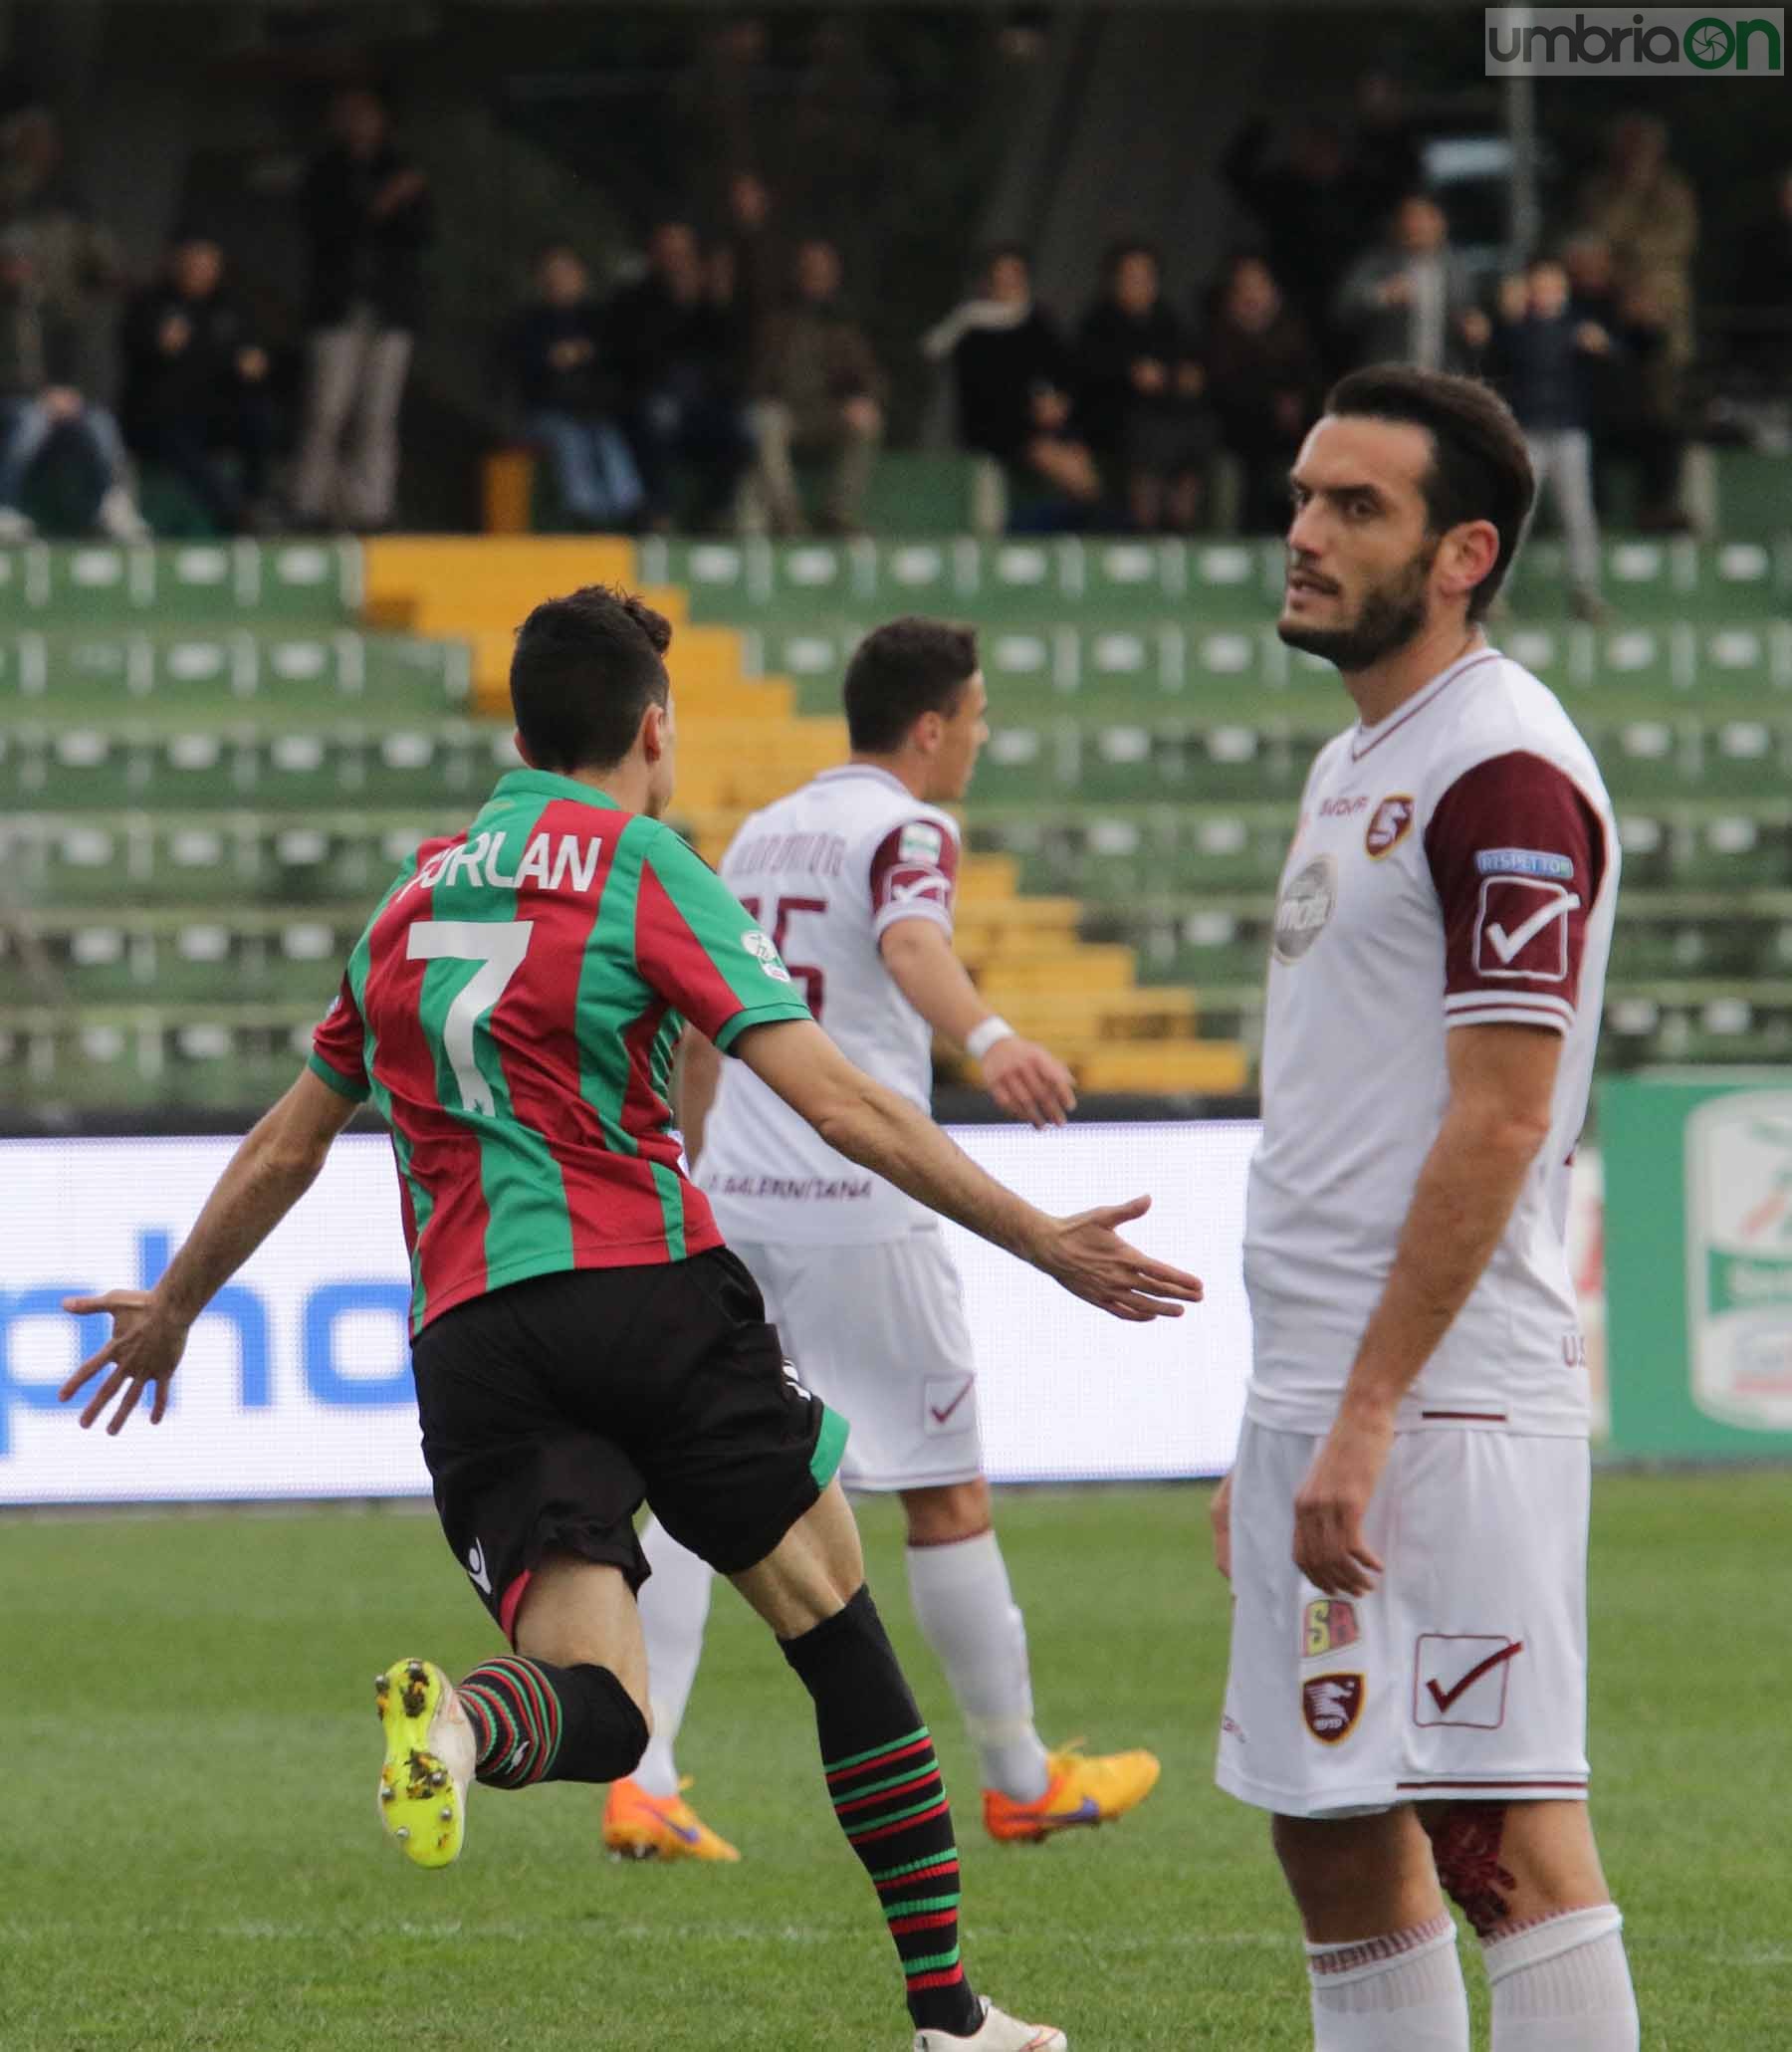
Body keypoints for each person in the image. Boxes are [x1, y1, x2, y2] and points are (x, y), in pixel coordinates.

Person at [58, 583, 1204, 2052]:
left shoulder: (409, 901)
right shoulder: (638, 864)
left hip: (473, 1335)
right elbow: (842, 1095)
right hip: (644, 1292)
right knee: (836, 1626)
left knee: (595, 1697)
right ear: (650, 731)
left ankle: (460, 1728)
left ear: (523, 724)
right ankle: (950, 2015)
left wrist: (174, 1305)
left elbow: (291, 1141)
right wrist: (1037, 1234)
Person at [1212, 363, 1639, 2052]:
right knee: (1326, 1829)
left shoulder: (1505, 770)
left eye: (1353, 507)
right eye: (1304, 494)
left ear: (1465, 551)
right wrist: (1288, 1423)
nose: (1303, 532)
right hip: (1321, 1394)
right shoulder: (1361, 761)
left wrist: (1368, 1414)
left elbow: (1504, 1115)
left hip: (1447, 1402)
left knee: (1501, 1839)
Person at [611, 616, 1161, 1866]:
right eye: (975, 718)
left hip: (742, 1198)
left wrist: (702, 1165)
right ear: (930, 726)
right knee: (948, 1494)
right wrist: (996, 1037)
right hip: (863, 1204)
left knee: (699, 1489)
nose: (979, 739)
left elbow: (703, 1035)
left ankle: (642, 1776)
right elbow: (914, 945)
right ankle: (1022, 1776)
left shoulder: (761, 832)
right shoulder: (909, 829)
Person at [291, 86, 432, 531]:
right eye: (348, 114)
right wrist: (384, 202)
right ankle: (309, 504)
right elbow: (327, 229)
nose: (358, 123)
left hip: (389, 310)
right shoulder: (325, 171)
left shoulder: (402, 167)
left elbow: (424, 234)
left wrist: (399, 201)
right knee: (326, 409)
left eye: (366, 113)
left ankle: (371, 508)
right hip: (337, 308)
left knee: (378, 413)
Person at [920, 247, 1100, 525]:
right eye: (1000, 278)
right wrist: (1034, 411)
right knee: (1066, 469)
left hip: (1045, 419)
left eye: (1014, 278)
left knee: (1083, 467)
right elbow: (984, 391)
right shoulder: (971, 326)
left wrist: (1059, 401)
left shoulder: (1037, 318)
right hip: (1000, 426)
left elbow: (1064, 369)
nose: (1008, 286)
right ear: (986, 282)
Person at [119, 233, 277, 535]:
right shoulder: (151, 303)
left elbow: (252, 356)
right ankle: (234, 513)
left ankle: (256, 500)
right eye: (193, 265)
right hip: (159, 419)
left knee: (258, 416)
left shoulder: (227, 309)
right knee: (180, 442)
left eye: (207, 266)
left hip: (210, 413)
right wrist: (159, 345)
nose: (200, 273)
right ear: (177, 264)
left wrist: (254, 365)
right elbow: (131, 348)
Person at [0, 226, 146, 543]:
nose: (18, 269)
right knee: (29, 423)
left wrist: (66, 392)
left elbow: (70, 363)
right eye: (10, 262)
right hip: (14, 404)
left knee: (101, 423)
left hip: (56, 403)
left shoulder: (50, 310)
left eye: (24, 261)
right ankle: (5, 506)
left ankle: (112, 505)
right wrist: (38, 396)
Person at [1484, 258, 1612, 619]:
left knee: (1578, 515)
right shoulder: (1517, 328)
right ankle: (1495, 593)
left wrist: (1600, 347)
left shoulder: (1578, 327)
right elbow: (1494, 360)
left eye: (1553, 286)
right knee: (1518, 513)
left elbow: (1611, 364)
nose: (1547, 294)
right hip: (1528, 431)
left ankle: (1585, 590)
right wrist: (1505, 319)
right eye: (1539, 286)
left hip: (1568, 430)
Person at [608, 219, 755, 533]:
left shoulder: (711, 302)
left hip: (705, 402)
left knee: (745, 426)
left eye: (682, 252)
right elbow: (636, 358)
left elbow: (732, 358)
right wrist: (675, 306)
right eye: (668, 252)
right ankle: (659, 509)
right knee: (659, 416)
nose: (676, 259)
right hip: (653, 397)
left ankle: (716, 511)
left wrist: (714, 304)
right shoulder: (636, 299)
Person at [750, 237, 887, 536]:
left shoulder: (844, 321)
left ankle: (838, 515)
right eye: (809, 270)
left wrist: (862, 399)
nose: (815, 278)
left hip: (828, 413)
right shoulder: (775, 317)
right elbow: (756, 375)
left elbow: (871, 377)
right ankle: (787, 520)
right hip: (785, 412)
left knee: (868, 421)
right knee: (764, 421)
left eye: (822, 272)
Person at [503, 244, 643, 531]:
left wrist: (583, 354)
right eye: (552, 273)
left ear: (580, 275)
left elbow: (616, 362)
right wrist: (551, 359)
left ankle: (628, 510)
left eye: (566, 271)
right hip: (544, 415)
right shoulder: (530, 322)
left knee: (608, 437)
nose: (559, 279)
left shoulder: (596, 319)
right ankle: (586, 515)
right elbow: (517, 370)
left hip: (591, 413)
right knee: (570, 439)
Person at [1075, 240, 1212, 533]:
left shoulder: (1168, 319)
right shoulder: (1097, 322)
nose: (1140, 285)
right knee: (1145, 435)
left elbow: (1186, 362)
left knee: (1197, 429)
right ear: (1113, 281)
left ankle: (1180, 527)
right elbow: (1087, 372)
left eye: (1146, 277)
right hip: (1114, 416)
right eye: (1131, 278)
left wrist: (1184, 376)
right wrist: (1130, 374)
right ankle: (1144, 530)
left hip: (1168, 413)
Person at [1202, 253, 1322, 534]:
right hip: (1231, 442)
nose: (1252, 297)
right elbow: (1219, 394)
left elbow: (1311, 390)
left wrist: (1296, 405)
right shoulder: (1217, 337)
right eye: (1243, 288)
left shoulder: (1293, 336)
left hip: (1285, 444)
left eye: (1258, 286)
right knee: (1226, 480)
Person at [1333, 196, 1485, 375]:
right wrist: (1382, 295)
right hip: (1390, 376)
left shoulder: (1456, 268)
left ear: (1440, 223)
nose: (1417, 226)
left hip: (1442, 377)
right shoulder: (1377, 263)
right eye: (1411, 218)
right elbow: (1342, 310)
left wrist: (1473, 327)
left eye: (1424, 218)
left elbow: (1470, 313)